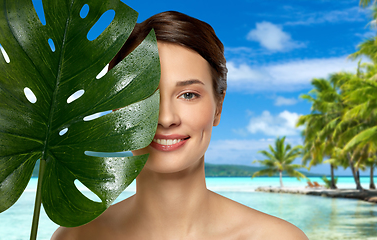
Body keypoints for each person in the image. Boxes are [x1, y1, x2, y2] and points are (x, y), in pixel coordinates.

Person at [52, 11, 308, 240]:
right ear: (116, 108)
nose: (165, 118)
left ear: (218, 107)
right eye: (143, 95)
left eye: (188, 95)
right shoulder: (75, 237)